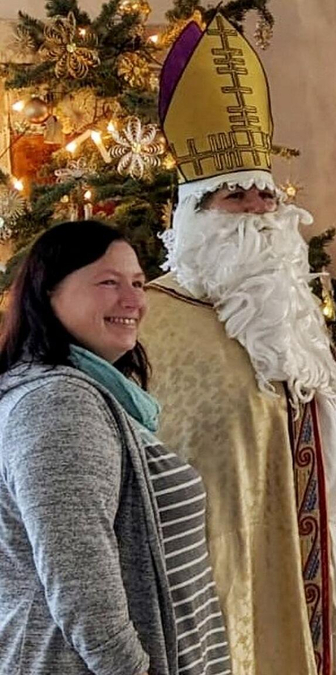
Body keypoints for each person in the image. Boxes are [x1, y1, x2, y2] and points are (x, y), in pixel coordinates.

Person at [139, 14, 336, 675]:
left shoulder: (291, 319)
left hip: (329, 593)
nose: (260, 213)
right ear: (196, 213)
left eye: (265, 195)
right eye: (235, 197)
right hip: (225, 602)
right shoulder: (149, 322)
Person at [0, 220, 230, 675]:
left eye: (139, 283)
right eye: (109, 282)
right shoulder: (56, 403)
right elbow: (81, 586)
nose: (134, 301)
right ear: (50, 293)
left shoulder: (94, 393)